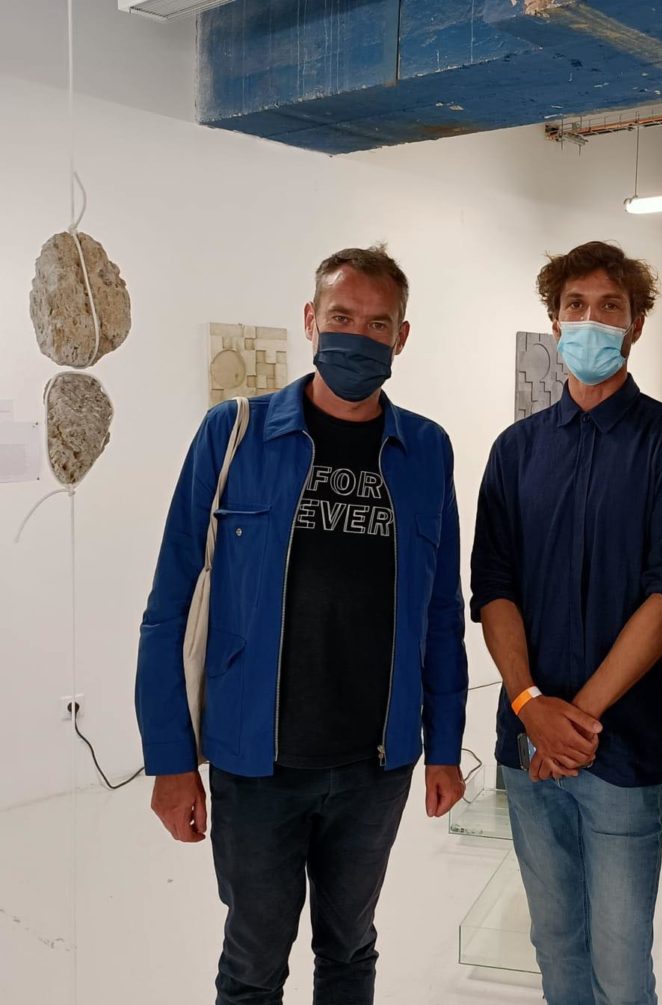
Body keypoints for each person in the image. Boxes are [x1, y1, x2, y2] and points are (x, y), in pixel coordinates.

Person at [135, 245, 468, 1005]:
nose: (359, 336)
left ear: (402, 336)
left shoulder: (426, 450)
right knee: (253, 965)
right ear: (312, 319)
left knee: (349, 950)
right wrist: (170, 760)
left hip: (375, 766)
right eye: (342, 317)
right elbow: (169, 606)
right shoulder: (235, 435)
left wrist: (446, 746)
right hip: (258, 762)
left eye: (378, 324)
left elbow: (441, 612)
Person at [471, 241, 662, 1005]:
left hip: (622, 748)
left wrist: (574, 723)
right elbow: (494, 588)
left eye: (611, 306)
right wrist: (531, 705)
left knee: (621, 963)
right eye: (576, 305)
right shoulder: (515, 452)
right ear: (554, 319)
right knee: (554, 944)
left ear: (636, 324)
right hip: (527, 745)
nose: (592, 319)